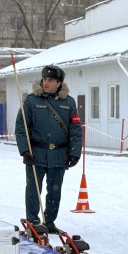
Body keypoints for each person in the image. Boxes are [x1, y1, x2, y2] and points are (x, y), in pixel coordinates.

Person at [15, 65, 82, 233]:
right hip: (35, 154)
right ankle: (33, 221)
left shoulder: (69, 103)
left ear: (59, 83)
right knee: (33, 190)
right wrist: (24, 151)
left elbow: (75, 129)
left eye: (50, 80)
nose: (46, 82)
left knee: (54, 191)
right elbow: (21, 128)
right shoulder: (31, 101)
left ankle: (49, 222)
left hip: (59, 155)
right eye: (44, 79)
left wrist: (75, 153)